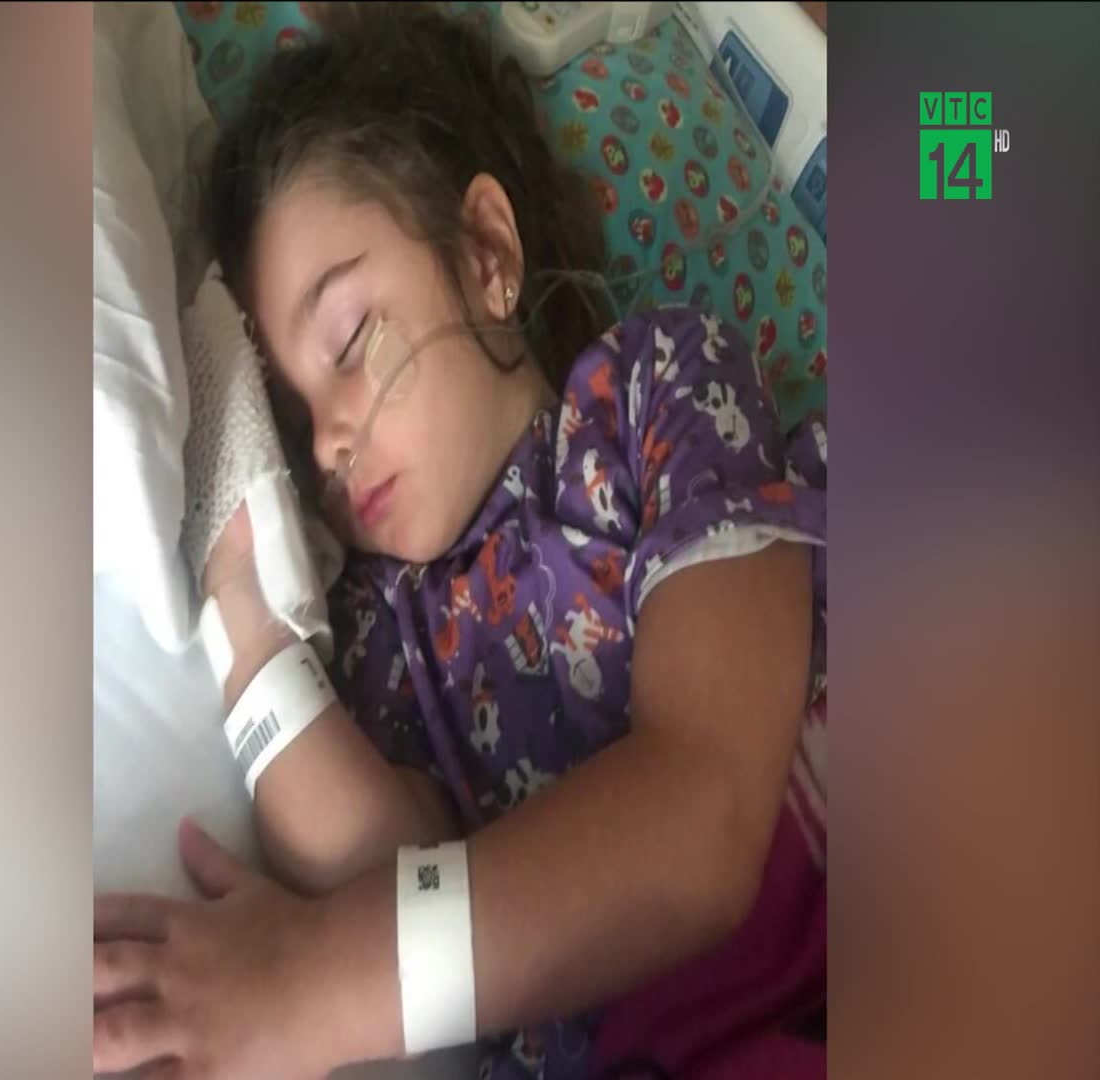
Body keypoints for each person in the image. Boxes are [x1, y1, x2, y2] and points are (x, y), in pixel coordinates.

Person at [93, 6, 827, 1078]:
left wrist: (304, 989)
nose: (328, 441)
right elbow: (389, 877)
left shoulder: (656, 397)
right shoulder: (378, 629)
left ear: (487, 252)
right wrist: (241, 599)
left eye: (351, 338)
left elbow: (703, 814)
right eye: (292, 423)